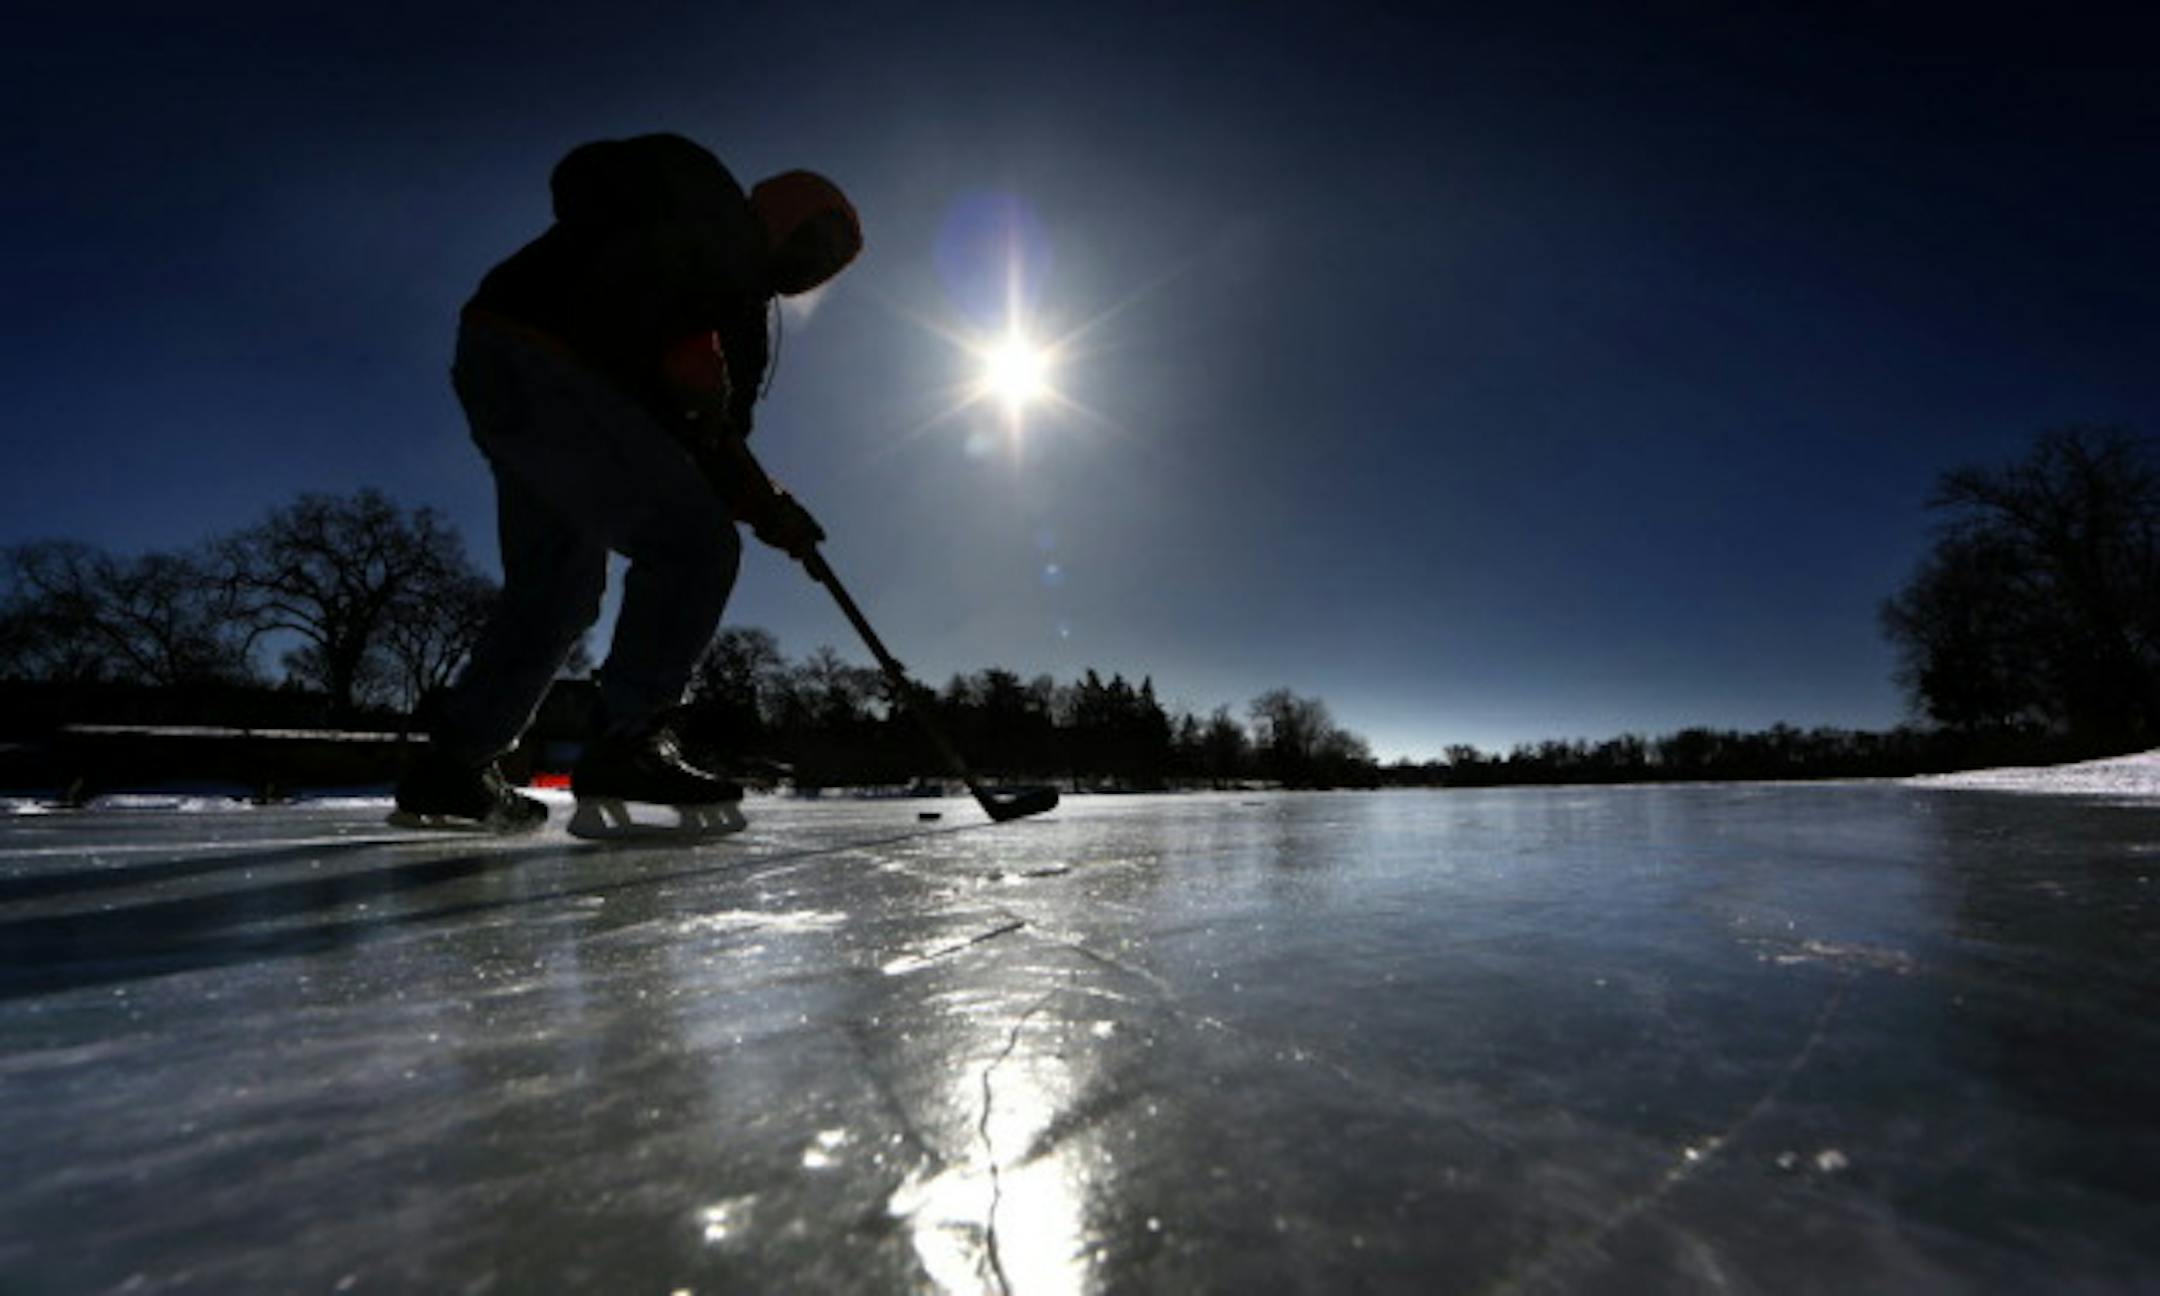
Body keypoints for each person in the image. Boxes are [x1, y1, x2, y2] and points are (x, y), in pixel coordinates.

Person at [391, 133, 861, 834]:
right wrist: (759, 501)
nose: (813, 269)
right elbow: (703, 418)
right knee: (694, 545)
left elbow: (711, 440)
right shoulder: (721, 241)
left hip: (498, 356)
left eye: (829, 265)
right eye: (816, 244)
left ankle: (454, 765)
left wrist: (769, 507)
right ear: (784, 216)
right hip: (560, 367)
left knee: (556, 593)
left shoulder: (725, 283)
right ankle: (628, 740)